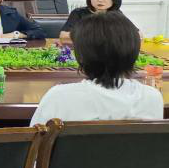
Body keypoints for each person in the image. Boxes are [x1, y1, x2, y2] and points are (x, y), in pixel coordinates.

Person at [30, 11, 163, 126]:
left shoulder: (59, 96)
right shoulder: (152, 97)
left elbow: (35, 143)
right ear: (134, 52)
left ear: (81, 56)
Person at [59, 0, 130, 44]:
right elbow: (64, 37)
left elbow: (134, 35)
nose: (100, 0)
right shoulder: (78, 13)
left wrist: (84, 36)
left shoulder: (117, 14)